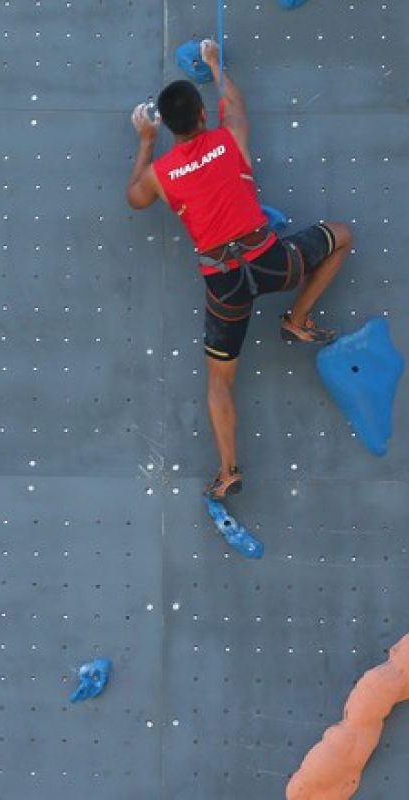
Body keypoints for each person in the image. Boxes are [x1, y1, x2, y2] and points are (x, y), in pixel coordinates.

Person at [125, 39, 352, 500]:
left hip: (226, 287)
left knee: (219, 381)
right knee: (340, 236)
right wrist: (214, 63)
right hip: (273, 263)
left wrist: (145, 145)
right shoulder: (231, 139)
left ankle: (228, 471)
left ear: (168, 127)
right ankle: (296, 319)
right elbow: (236, 103)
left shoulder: (161, 175)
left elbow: (135, 197)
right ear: (204, 118)